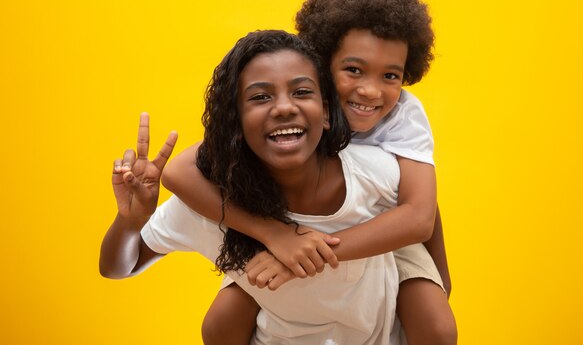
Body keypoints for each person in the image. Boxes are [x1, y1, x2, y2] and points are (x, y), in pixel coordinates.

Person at [164, 0, 457, 345]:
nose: (370, 90)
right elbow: (177, 172)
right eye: (353, 70)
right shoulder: (298, 103)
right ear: (321, 61)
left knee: (438, 329)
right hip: (292, 224)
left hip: (383, 230)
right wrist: (276, 236)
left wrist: (440, 274)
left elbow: (420, 214)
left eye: (390, 75)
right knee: (219, 325)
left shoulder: (404, 115)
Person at [100, 30, 419, 344]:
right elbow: (118, 268)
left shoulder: (373, 175)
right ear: (235, 122)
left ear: (325, 111)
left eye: (301, 92)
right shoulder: (213, 204)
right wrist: (130, 221)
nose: (283, 108)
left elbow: (420, 215)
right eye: (260, 97)